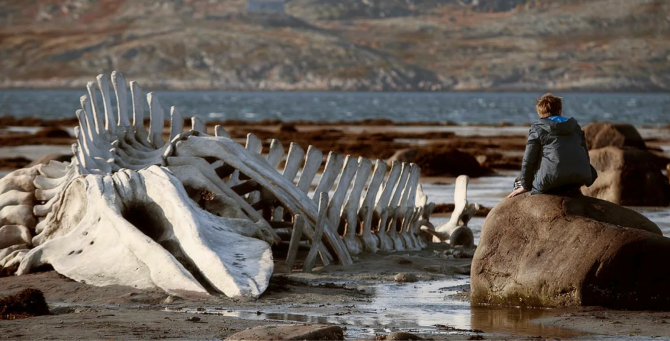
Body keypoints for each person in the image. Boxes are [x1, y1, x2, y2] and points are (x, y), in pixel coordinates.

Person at [507, 94, 597, 198]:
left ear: (540, 113)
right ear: (559, 110)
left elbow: (528, 160)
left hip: (551, 183)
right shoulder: (575, 127)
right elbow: (585, 156)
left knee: (519, 181)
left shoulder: (538, 128)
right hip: (578, 180)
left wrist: (525, 186)